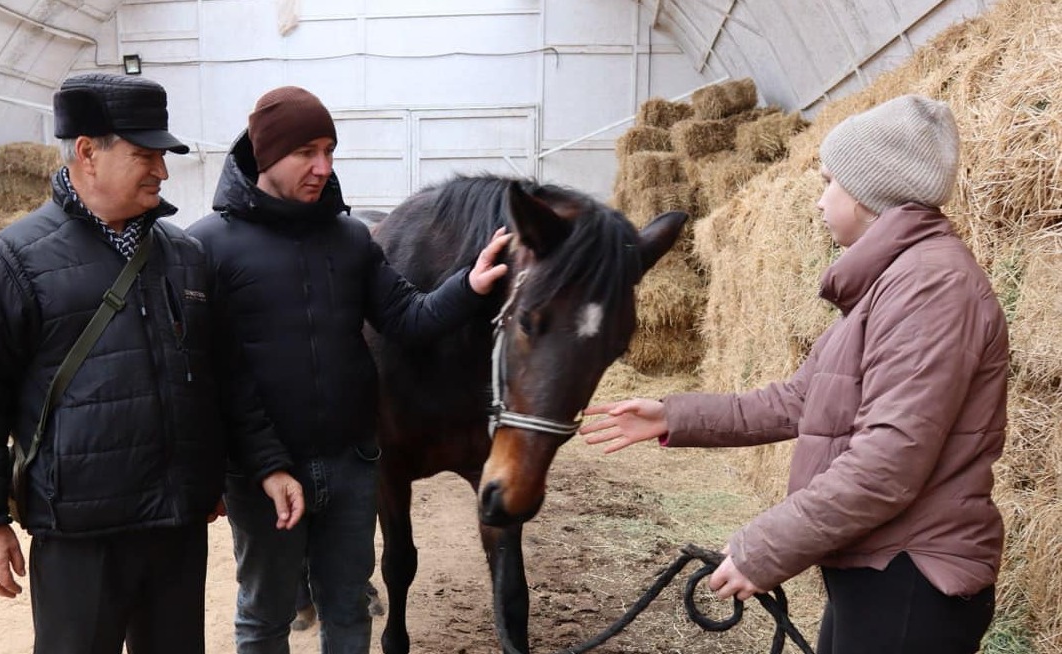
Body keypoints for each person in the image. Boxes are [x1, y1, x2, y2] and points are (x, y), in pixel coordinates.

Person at [581, 94, 1007, 654]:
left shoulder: (930, 289)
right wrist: (674, 415)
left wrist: (765, 549)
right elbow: (798, 400)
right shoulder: (896, 284)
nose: (818, 199)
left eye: (829, 181)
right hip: (879, 570)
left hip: (910, 578)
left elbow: (889, 462)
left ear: (870, 192)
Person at [0, 72, 303, 654]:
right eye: (144, 155)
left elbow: (226, 380)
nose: (161, 170)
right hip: (79, 533)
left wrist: (269, 465)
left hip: (176, 525)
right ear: (87, 153)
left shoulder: (185, 257)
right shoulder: (14, 261)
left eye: (163, 156)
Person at [187, 85, 511, 654]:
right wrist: (244, 465)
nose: (323, 167)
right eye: (307, 152)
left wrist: (469, 285)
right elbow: (207, 375)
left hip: (351, 464)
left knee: (348, 610)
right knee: (265, 617)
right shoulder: (209, 247)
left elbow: (407, 317)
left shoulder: (349, 239)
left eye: (330, 151)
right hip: (265, 474)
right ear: (266, 155)